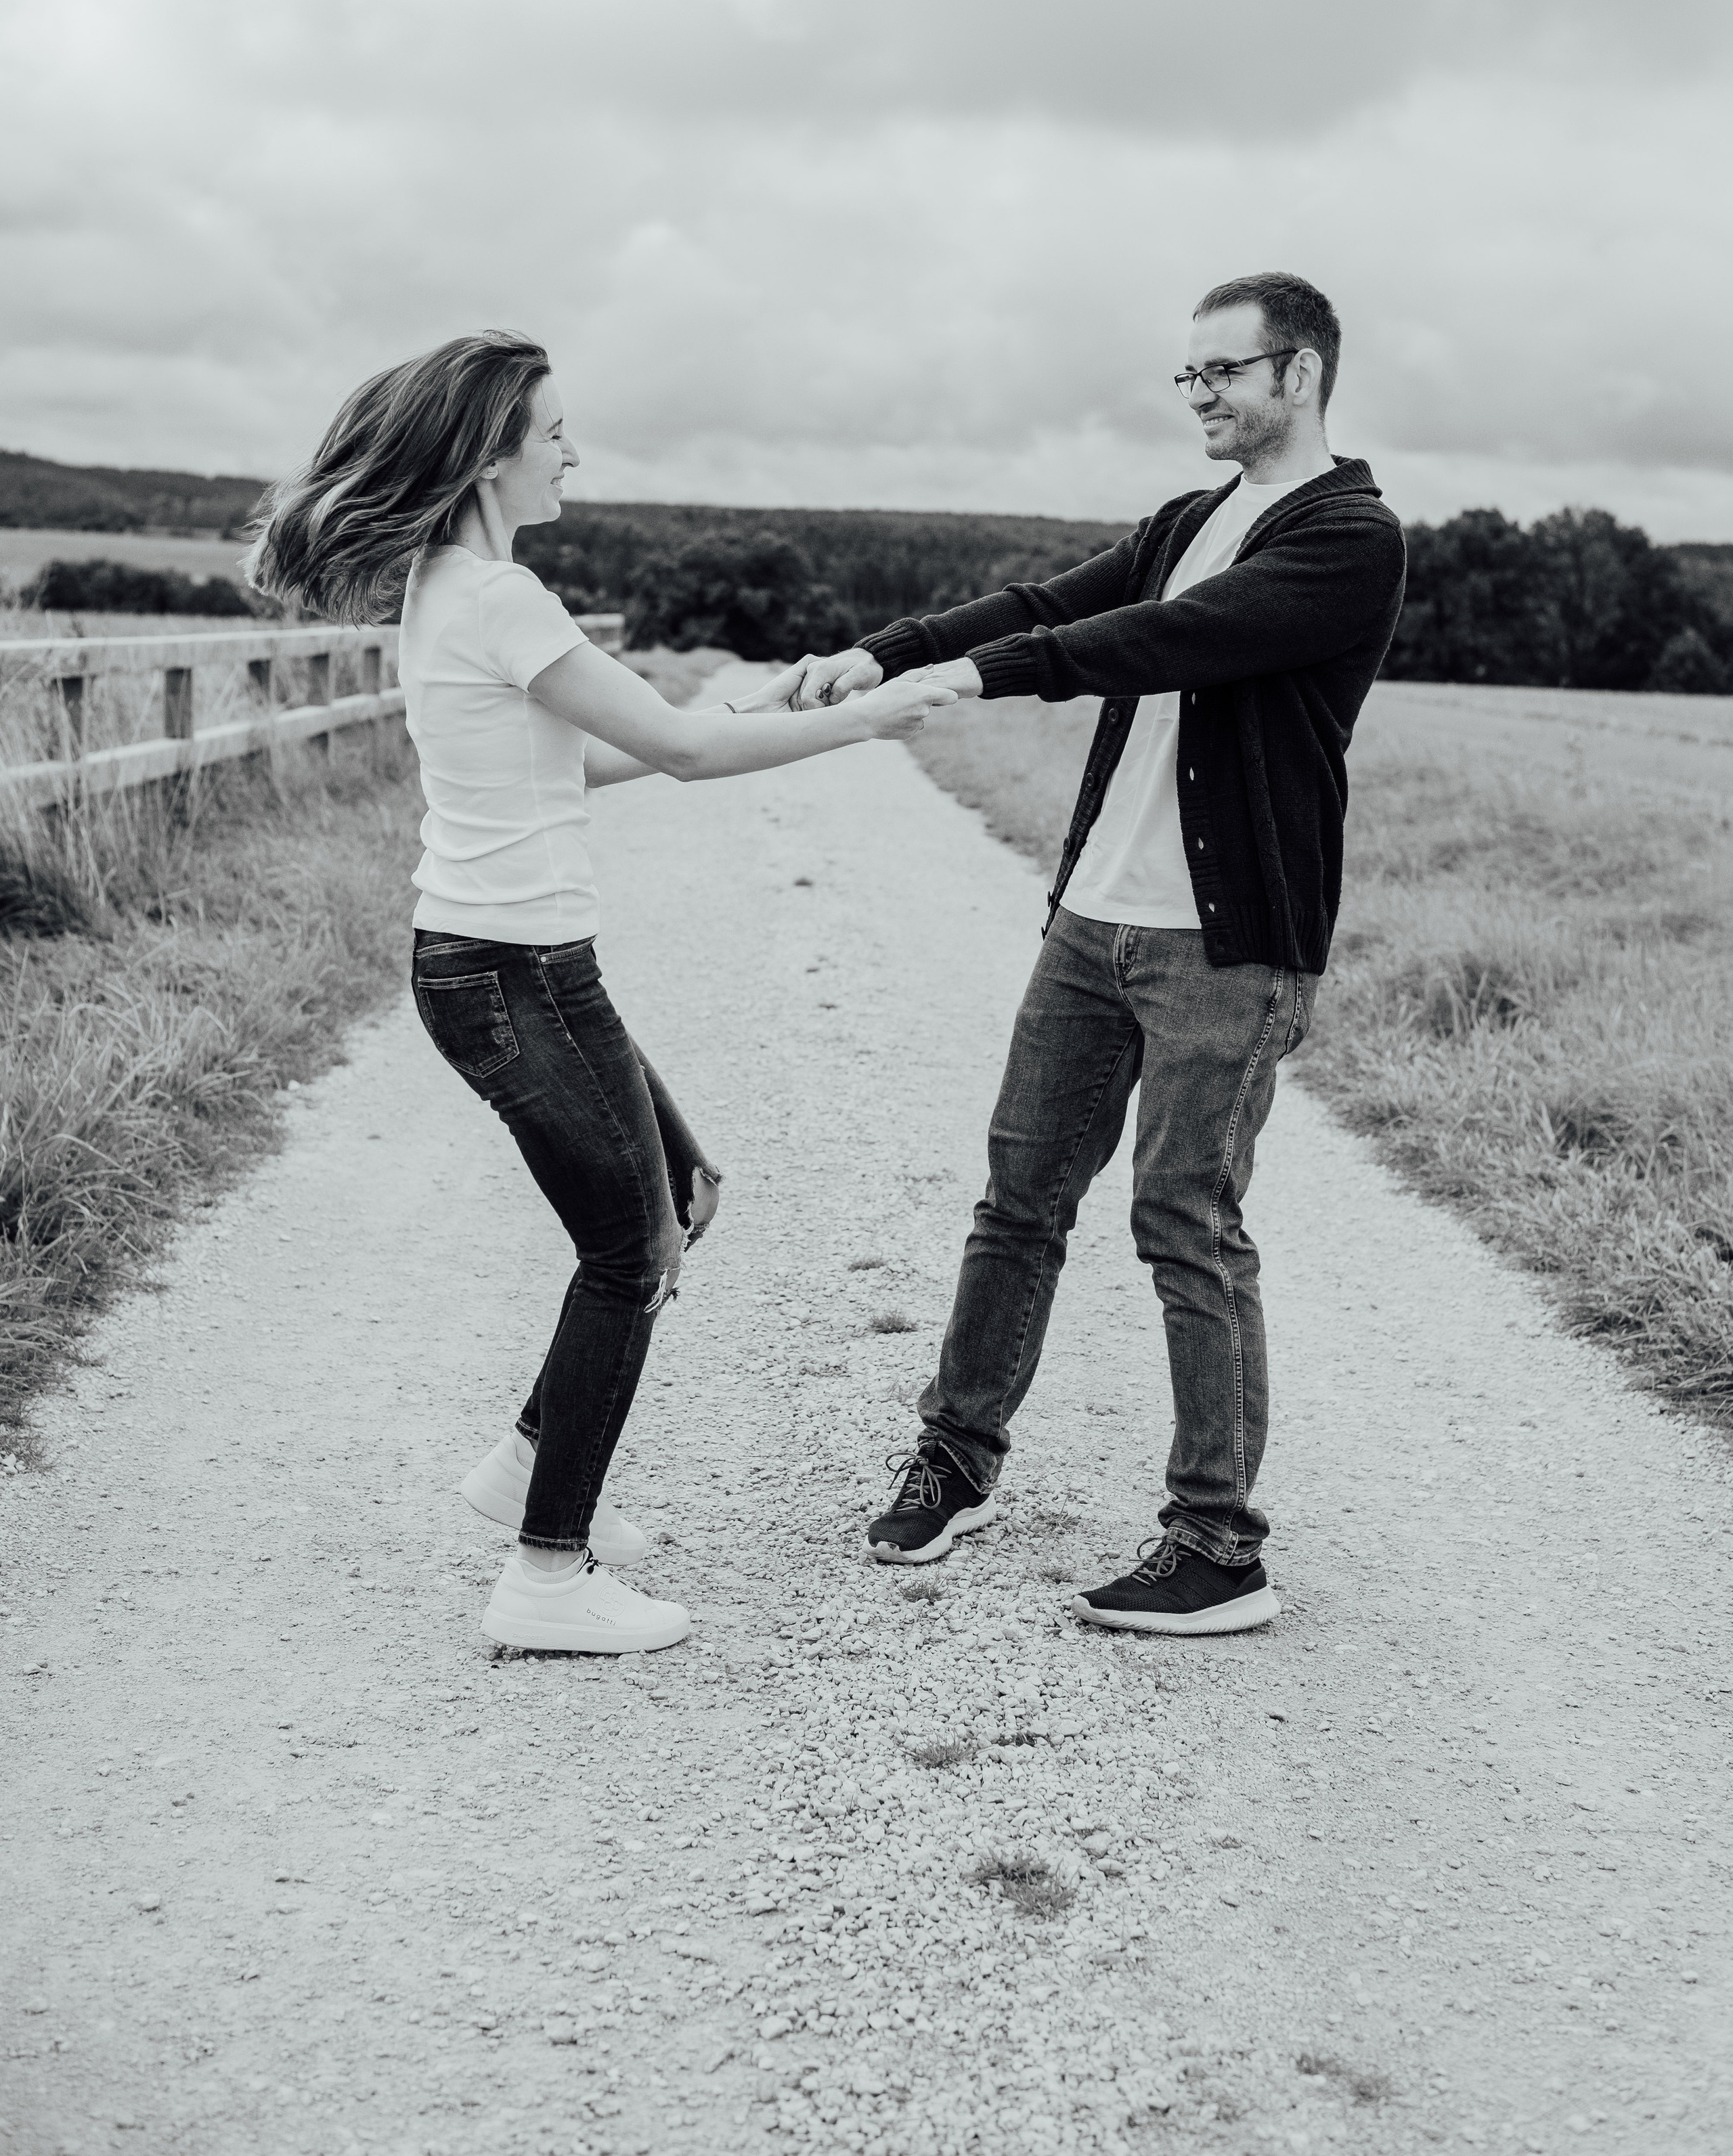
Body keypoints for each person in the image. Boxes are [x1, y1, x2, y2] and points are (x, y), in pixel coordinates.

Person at [243, 331, 953, 1656]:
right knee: (628, 1254)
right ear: (490, 452)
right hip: (508, 974)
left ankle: (528, 1475)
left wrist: (736, 708)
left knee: (681, 1200)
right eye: (555, 429)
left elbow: (580, 763)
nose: (574, 450)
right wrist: (862, 720)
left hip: (517, 968)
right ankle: (545, 1575)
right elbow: (679, 753)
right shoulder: (497, 599)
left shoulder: (464, 587)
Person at [789, 274, 1405, 1636]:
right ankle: (953, 1460)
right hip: (1092, 923)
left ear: (1296, 376)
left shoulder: (1347, 538)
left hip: (1224, 946)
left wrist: (972, 682)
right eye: (1183, 377)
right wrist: (884, 649)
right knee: (1017, 1199)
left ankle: (1216, 1547)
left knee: (1184, 1221)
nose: (1196, 398)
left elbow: (1163, 642)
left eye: (1218, 374)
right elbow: (1040, 596)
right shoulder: (1191, 518)